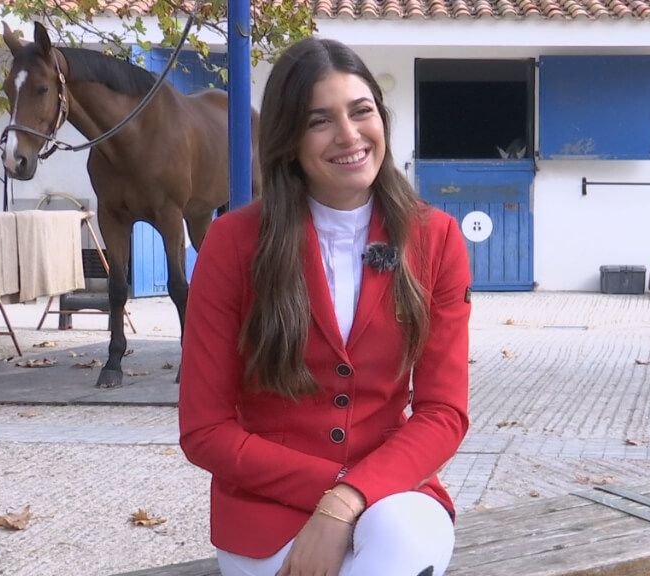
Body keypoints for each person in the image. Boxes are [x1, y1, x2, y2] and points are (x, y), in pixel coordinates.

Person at [178, 36, 472, 576]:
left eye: (362, 112)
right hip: (264, 512)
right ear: (288, 140)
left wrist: (350, 499)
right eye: (319, 121)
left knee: (404, 540)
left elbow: (443, 413)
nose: (349, 135)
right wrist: (333, 493)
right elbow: (205, 429)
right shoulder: (233, 243)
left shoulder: (437, 238)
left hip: (391, 497)